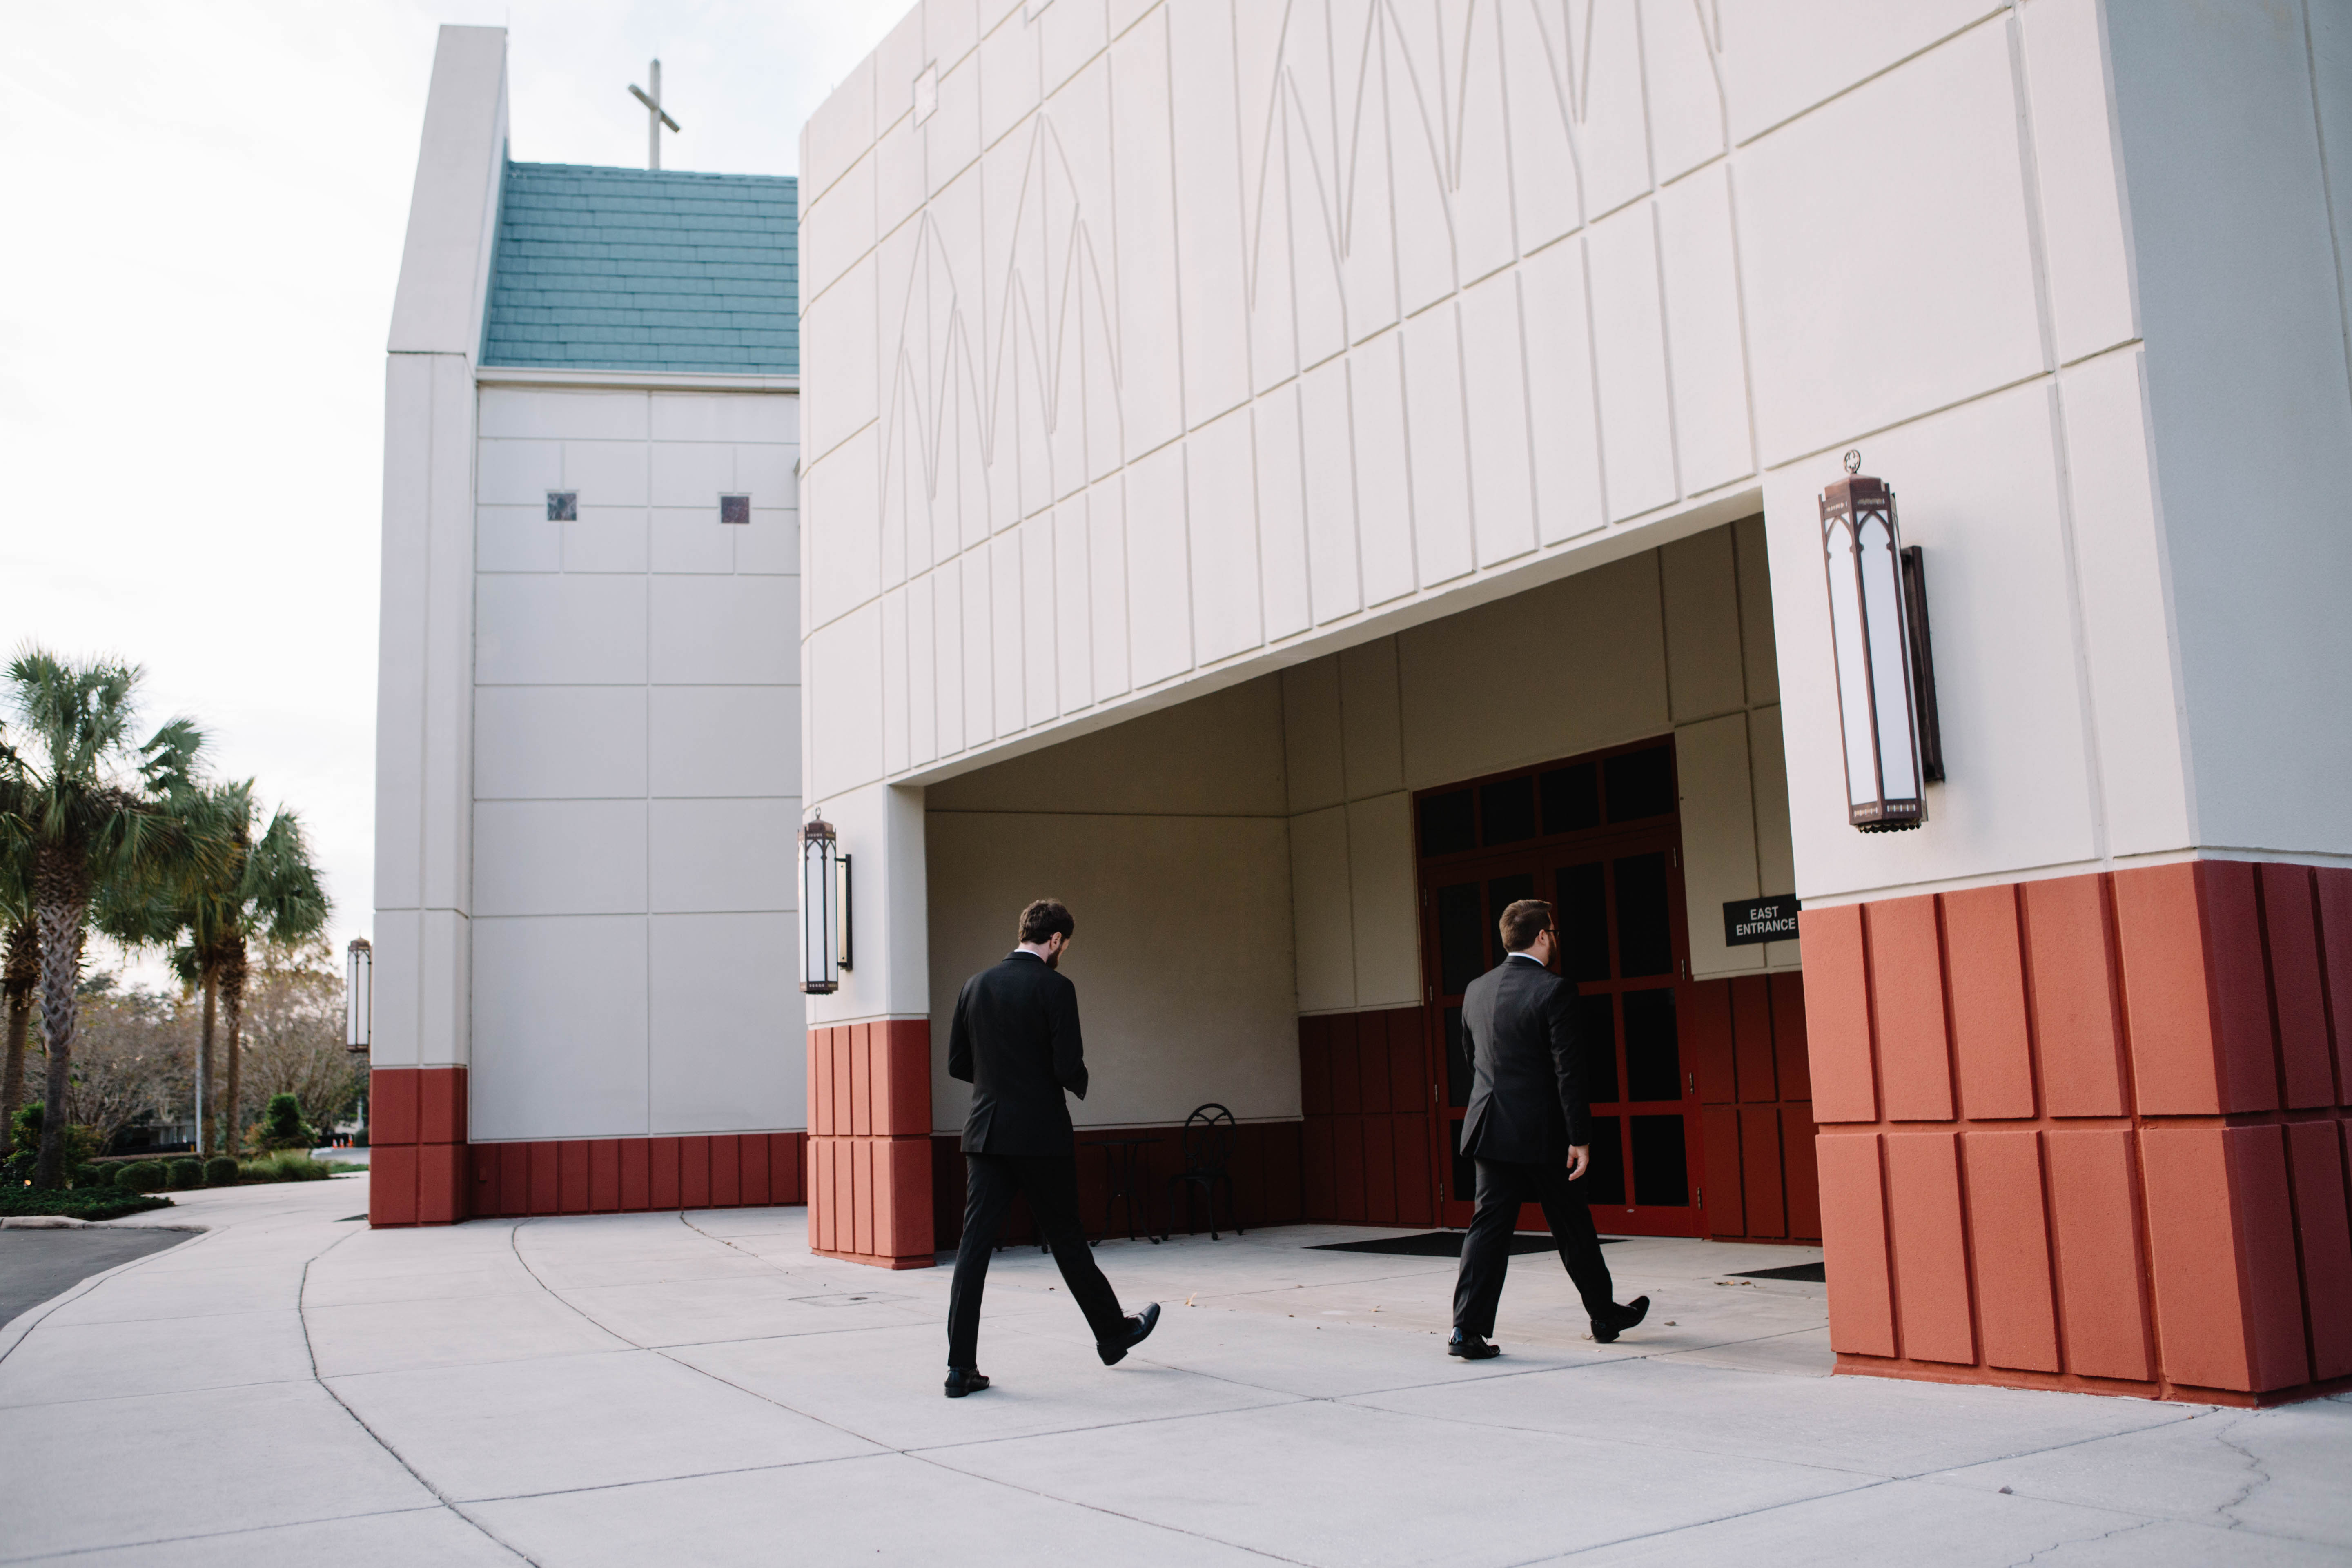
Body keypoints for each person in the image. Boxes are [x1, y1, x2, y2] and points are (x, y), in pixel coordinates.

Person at [942, 898, 1160, 1397]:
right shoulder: (1057, 988)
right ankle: (1112, 1334)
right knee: (1066, 1239)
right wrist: (1075, 1080)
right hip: (1040, 1136)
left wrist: (1000, 1081)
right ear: (1056, 941)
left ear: (1024, 932)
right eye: (1065, 945)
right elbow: (1067, 1067)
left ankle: (960, 1368)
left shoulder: (974, 986)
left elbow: (958, 1063)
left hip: (986, 1133)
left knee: (972, 1250)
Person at [1448, 897, 1649, 1359]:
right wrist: (1580, 1137)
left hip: (1490, 1128)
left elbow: (1471, 1061)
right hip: (1542, 1134)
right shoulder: (1555, 990)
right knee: (1573, 1225)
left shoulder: (1476, 989)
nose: (1555, 940)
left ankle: (1466, 1331)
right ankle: (1603, 1316)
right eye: (1554, 933)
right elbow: (1569, 1072)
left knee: (1487, 1230)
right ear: (1542, 937)